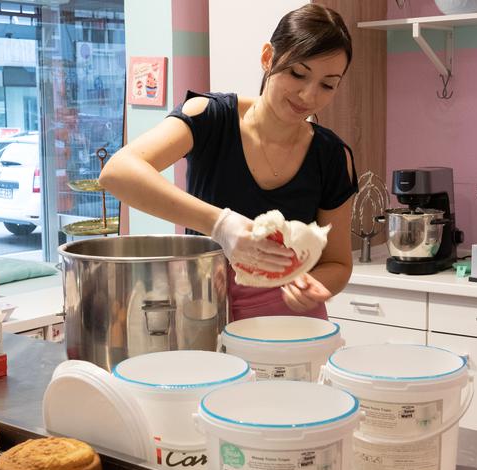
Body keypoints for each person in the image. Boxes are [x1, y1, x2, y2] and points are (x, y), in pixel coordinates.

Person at [99, 4, 357, 321]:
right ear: (268, 58)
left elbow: (338, 264)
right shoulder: (209, 117)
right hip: (203, 313)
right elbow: (117, 172)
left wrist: (312, 284)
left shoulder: (330, 155)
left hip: (289, 323)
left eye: (327, 84)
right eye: (297, 73)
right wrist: (221, 226)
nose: (308, 94)